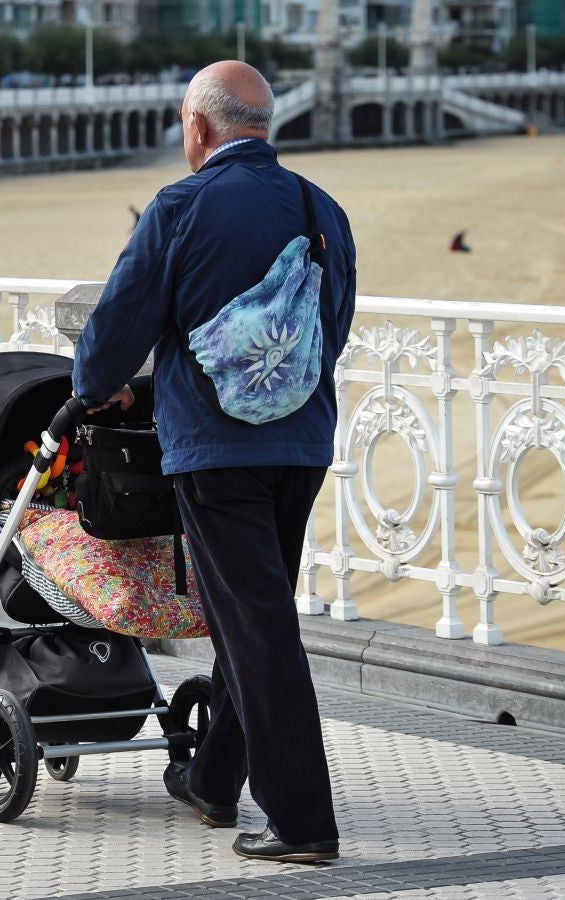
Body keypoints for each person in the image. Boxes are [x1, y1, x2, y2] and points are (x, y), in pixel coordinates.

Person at [72, 61, 354, 864]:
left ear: (199, 129)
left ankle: (302, 823)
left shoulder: (179, 207)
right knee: (250, 619)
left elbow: (119, 322)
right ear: (264, 127)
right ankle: (212, 778)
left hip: (215, 452)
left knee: (258, 630)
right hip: (299, 445)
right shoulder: (318, 206)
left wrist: (97, 388)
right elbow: (329, 325)